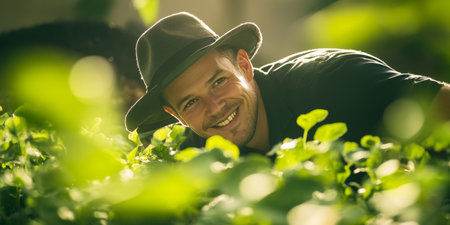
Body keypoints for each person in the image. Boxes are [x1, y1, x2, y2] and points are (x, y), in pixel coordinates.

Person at [125, 12, 450, 155]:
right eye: (191, 102)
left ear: (244, 65)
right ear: (177, 116)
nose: (214, 107)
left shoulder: (334, 81)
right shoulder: (194, 158)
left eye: (219, 81)